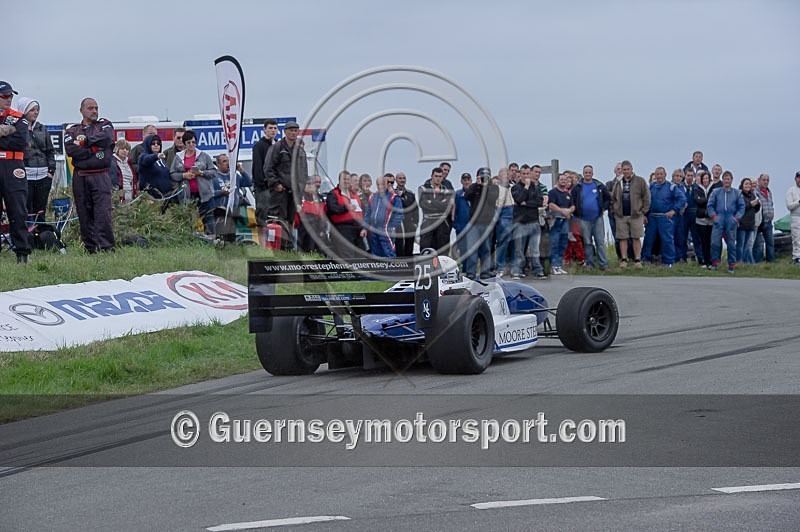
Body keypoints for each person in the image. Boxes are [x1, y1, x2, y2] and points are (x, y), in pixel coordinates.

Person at [64, 97, 116, 253]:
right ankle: (90, 248)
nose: (94, 111)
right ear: (81, 110)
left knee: (103, 212)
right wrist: (94, 149)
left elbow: (107, 139)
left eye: (96, 108)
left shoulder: (104, 124)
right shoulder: (72, 130)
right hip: (81, 176)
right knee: (84, 213)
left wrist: (86, 142)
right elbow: (71, 150)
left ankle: (106, 247)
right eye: (90, 108)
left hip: (100, 175)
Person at [0, 81, 31, 263]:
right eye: (5, 96)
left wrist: (6, 133)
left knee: (18, 210)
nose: (9, 99)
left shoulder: (19, 118)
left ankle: (22, 253)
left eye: (11, 96)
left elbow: (20, 140)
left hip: (13, 165)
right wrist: (5, 132)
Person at [265, 121, 307, 248]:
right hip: (280, 191)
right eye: (291, 130)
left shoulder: (300, 151)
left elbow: (304, 172)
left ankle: (288, 246)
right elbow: (268, 168)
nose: (294, 133)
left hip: (294, 192)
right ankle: (278, 246)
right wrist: (275, 184)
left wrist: (300, 189)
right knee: (278, 219)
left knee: (290, 220)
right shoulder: (277, 148)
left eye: (296, 131)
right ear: (285, 132)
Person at [14, 97, 55, 224]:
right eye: (32, 110)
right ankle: (28, 238)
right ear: (24, 111)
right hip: (26, 174)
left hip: (43, 175)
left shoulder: (42, 128)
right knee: (26, 209)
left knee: (41, 209)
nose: (36, 112)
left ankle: (41, 238)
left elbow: (50, 151)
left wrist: (51, 171)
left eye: (37, 109)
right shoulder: (17, 128)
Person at [641, 167, 686, 268]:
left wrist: (674, 210)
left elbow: (682, 199)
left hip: (664, 217)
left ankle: (669, 261)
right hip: (652, 217)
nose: (659, 176)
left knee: (667, 240)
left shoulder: (671, 187)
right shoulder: (651, 187)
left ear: (665, 175)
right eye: (657, 174)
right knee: (648, 239)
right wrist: (644, 214)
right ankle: (645, 259)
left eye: (661, 174)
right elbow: (645, 201)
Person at [610, 160, 650, 268]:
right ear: (622, 170)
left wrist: (643, 211)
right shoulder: (618, 182)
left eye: (628, 169)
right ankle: (624, 259)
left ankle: (637, 260)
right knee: (623, 238)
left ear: (632, 170)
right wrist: (615, 210)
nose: (626, 171)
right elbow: (613, 198)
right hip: (621, 216)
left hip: (636, 215)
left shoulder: (640, 181)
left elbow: (647, 197)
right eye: (624, 170)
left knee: (636, 237)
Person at [571, 165, 610, 270]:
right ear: (583, 173)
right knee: (587, 243)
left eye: (589, 172)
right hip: (583, 219)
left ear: (592, 174)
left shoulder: (599, 185)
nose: (588, 174)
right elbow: (572, 201)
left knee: (600, 242)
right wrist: (576, 213)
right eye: (586, 172)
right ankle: (590, 264)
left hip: (597, 218)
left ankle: (603, 265)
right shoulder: (577, 187)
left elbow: (608, 198)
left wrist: (603, 208)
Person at [463, 167, 499, 279]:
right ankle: (471, 272)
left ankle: (485, 271)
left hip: (487, 223)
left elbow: (492, 198)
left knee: (486, 249)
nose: (484, 179)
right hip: (474, 223)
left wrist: (485, 186)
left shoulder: (493, 187)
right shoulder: (474, 187)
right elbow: (466, 196)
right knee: (472, 249)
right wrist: (478, 186)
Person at [706, 170, 745, 273]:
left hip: (731, 220)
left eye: (728, 179)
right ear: (722, 180)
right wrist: (714, 217)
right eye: (725, 179)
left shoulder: (737, 193)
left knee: (731, 244)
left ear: (731, 180)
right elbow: (710, 205)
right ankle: (714, 263)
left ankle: (731, 265)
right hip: (719, 220)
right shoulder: (716, 192)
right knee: (715, 243)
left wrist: (736, 218)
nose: (726, 181)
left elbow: (741, 207)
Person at [511, 165, 545, 279]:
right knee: (519, 250)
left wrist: (527, 203)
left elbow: (539, 202)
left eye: (527, 174)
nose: (526, 176)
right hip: (520, 223)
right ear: (520, 175)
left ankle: (538, 270)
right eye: (523, 174)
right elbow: (519, 199)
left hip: (534, 222)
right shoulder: (515, 188)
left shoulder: (535, 188)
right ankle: (517, 270)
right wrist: (525, 187)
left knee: (535, 250)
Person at [169, 129, 216, 207]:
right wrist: (184, 175)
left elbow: (214, 172)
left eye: (193, 142)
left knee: (208, 218)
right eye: (188, 142)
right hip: (186, 196)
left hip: (205, 196)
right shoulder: (178, 157)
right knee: (190, 218)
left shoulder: (204, 156)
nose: (191, 144)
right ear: (184, 144)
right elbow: (172, 174)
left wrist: (201, 173)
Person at [326, 170, 366, 257]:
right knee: (347, 255)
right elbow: (332, 209)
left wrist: (363, 227)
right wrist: (346, 207)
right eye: (344, 179)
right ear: (339, 180)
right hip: (343, 228)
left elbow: (361, 213)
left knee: (361, 254)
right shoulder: (333, 194)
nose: (346, 181)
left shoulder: (354, 195)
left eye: (348, 179)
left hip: (357, 229)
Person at [363, 174, 404, 258]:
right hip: (374, 229)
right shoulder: (372, 197)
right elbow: (367, 214)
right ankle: (378, 271)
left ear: (387, 184)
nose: (380, 186)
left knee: (388, 252)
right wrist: (365, 227)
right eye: (378, 184)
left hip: (386, 229)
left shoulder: (394, 197)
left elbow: (399, 214)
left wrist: (392, 226)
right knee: (376, 254)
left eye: (382, 184)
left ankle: (391, 270)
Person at [418, 166, 454, 251]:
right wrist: (440, 203)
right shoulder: (423, 188)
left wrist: (432, 201)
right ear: (432, 176)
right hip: (428, 221)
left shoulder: (446, 190)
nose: (438, 179)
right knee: (425, 249)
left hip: (442, 222)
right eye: (436, 176)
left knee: (442, 251)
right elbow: (423, 204)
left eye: (440, 176)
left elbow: (446, 207)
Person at [252, 119, 278, 227]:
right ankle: (262, 241)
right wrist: (262, 183)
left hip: (276, 186)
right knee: (263, 214)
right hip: (263, 187)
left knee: (275, 215)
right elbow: (257, 167)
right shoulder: (259, 146)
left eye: (275, 128)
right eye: (270, 128)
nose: (273, 130)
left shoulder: (278, 145)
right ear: (264, 130)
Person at [294, 177, 327, 253]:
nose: (310, 186)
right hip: (302, 228)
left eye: (312, 184)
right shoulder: (299, 197)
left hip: (316, 228)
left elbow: (323, 216)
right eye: (308, 184)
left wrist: (322, 229)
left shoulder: (319, 199)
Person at [494, 167, 515, 276]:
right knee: (502, 244)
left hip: (514, 218)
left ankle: (512, 267)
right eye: (504, 175)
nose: (506, 178)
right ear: (499, 177)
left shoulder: (513, 188)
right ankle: (500, 267)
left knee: (514, 244)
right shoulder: (497, 189)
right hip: (503, 218)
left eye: (508, 175)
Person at [137, 134, 173, 200]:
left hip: (166, 196)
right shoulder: (143, 157)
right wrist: (156, 156)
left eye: (158, 143)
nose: (156, 145)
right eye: (153, 143)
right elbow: (147, 160)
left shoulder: (162, 159)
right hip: (152, 198)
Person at [393, 171, 418, 257]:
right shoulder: (393, 194)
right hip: (398, 225)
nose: (402, 180)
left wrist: (415, 224)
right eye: (400, 178)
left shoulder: (410, 194)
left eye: (404, 178)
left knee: (409, 247)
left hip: (409, 224)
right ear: (396, 180)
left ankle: (409, 268)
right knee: (399, 246)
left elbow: (415, 209)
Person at [735, 177, 760, 265]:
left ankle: (745, 262)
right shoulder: (739, 195)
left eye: (749, 184)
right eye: (746, 184)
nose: (748, 186)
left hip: (750, 224)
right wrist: (750, 204)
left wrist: (757, 204)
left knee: (747, 246)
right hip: (742, 224)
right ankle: (739, 261)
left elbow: (755, 210)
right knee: (740, 244)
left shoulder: (752, 195)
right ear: (742, 185)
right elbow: (741, 208)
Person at [753, 173, 775, 263]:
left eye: (767, 180)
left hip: (768, 221)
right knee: (758, 243)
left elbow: (771, 204)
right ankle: (759, 261)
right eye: (764, 180)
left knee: (770, 242)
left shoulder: (769, 192)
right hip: (759, 222)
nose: (766, 182)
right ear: (759, 181)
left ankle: (771, 261)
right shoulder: (755, 192)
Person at [693, 171, 713, 267]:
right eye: (704, 178)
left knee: (710, 241)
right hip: (701, 219)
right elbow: (698, 201)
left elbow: (715, 201)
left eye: (707, 178)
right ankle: (703, 261)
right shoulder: (697, 189)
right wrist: (708, 199)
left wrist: (705, 200)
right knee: (702, 241)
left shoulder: (713, 189)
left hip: (711, 220)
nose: (705, 180)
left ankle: (710, 261)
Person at [453, 172, 472, 262]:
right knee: (463, 250)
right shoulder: (458, 194)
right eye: (465, 180)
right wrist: (456, 226)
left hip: (473, 227)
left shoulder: (474, 193)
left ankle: (472, 272)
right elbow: (454, 210)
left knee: (473, 250)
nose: (466, 182)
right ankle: (464, 270)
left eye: (468, 180)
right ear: (461, 181)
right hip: (461, 227)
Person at [671, 169, 689, 262]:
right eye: (676, 176)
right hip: (672, 214)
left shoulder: (683, 188)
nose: (678, 178)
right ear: (673, 177)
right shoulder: (670, 186)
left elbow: (685, 200)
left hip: (681, 215)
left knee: (680, 236)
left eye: (680, 176)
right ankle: (672, 257)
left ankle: (679, 256)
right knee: (671, 236)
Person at [786, 171, 800, 266]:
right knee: (797, 238)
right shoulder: (791, 191)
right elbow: (789, 206)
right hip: (796, 216)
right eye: (799, 178)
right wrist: (799, 202)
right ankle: (796, 257)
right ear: (795, 179)